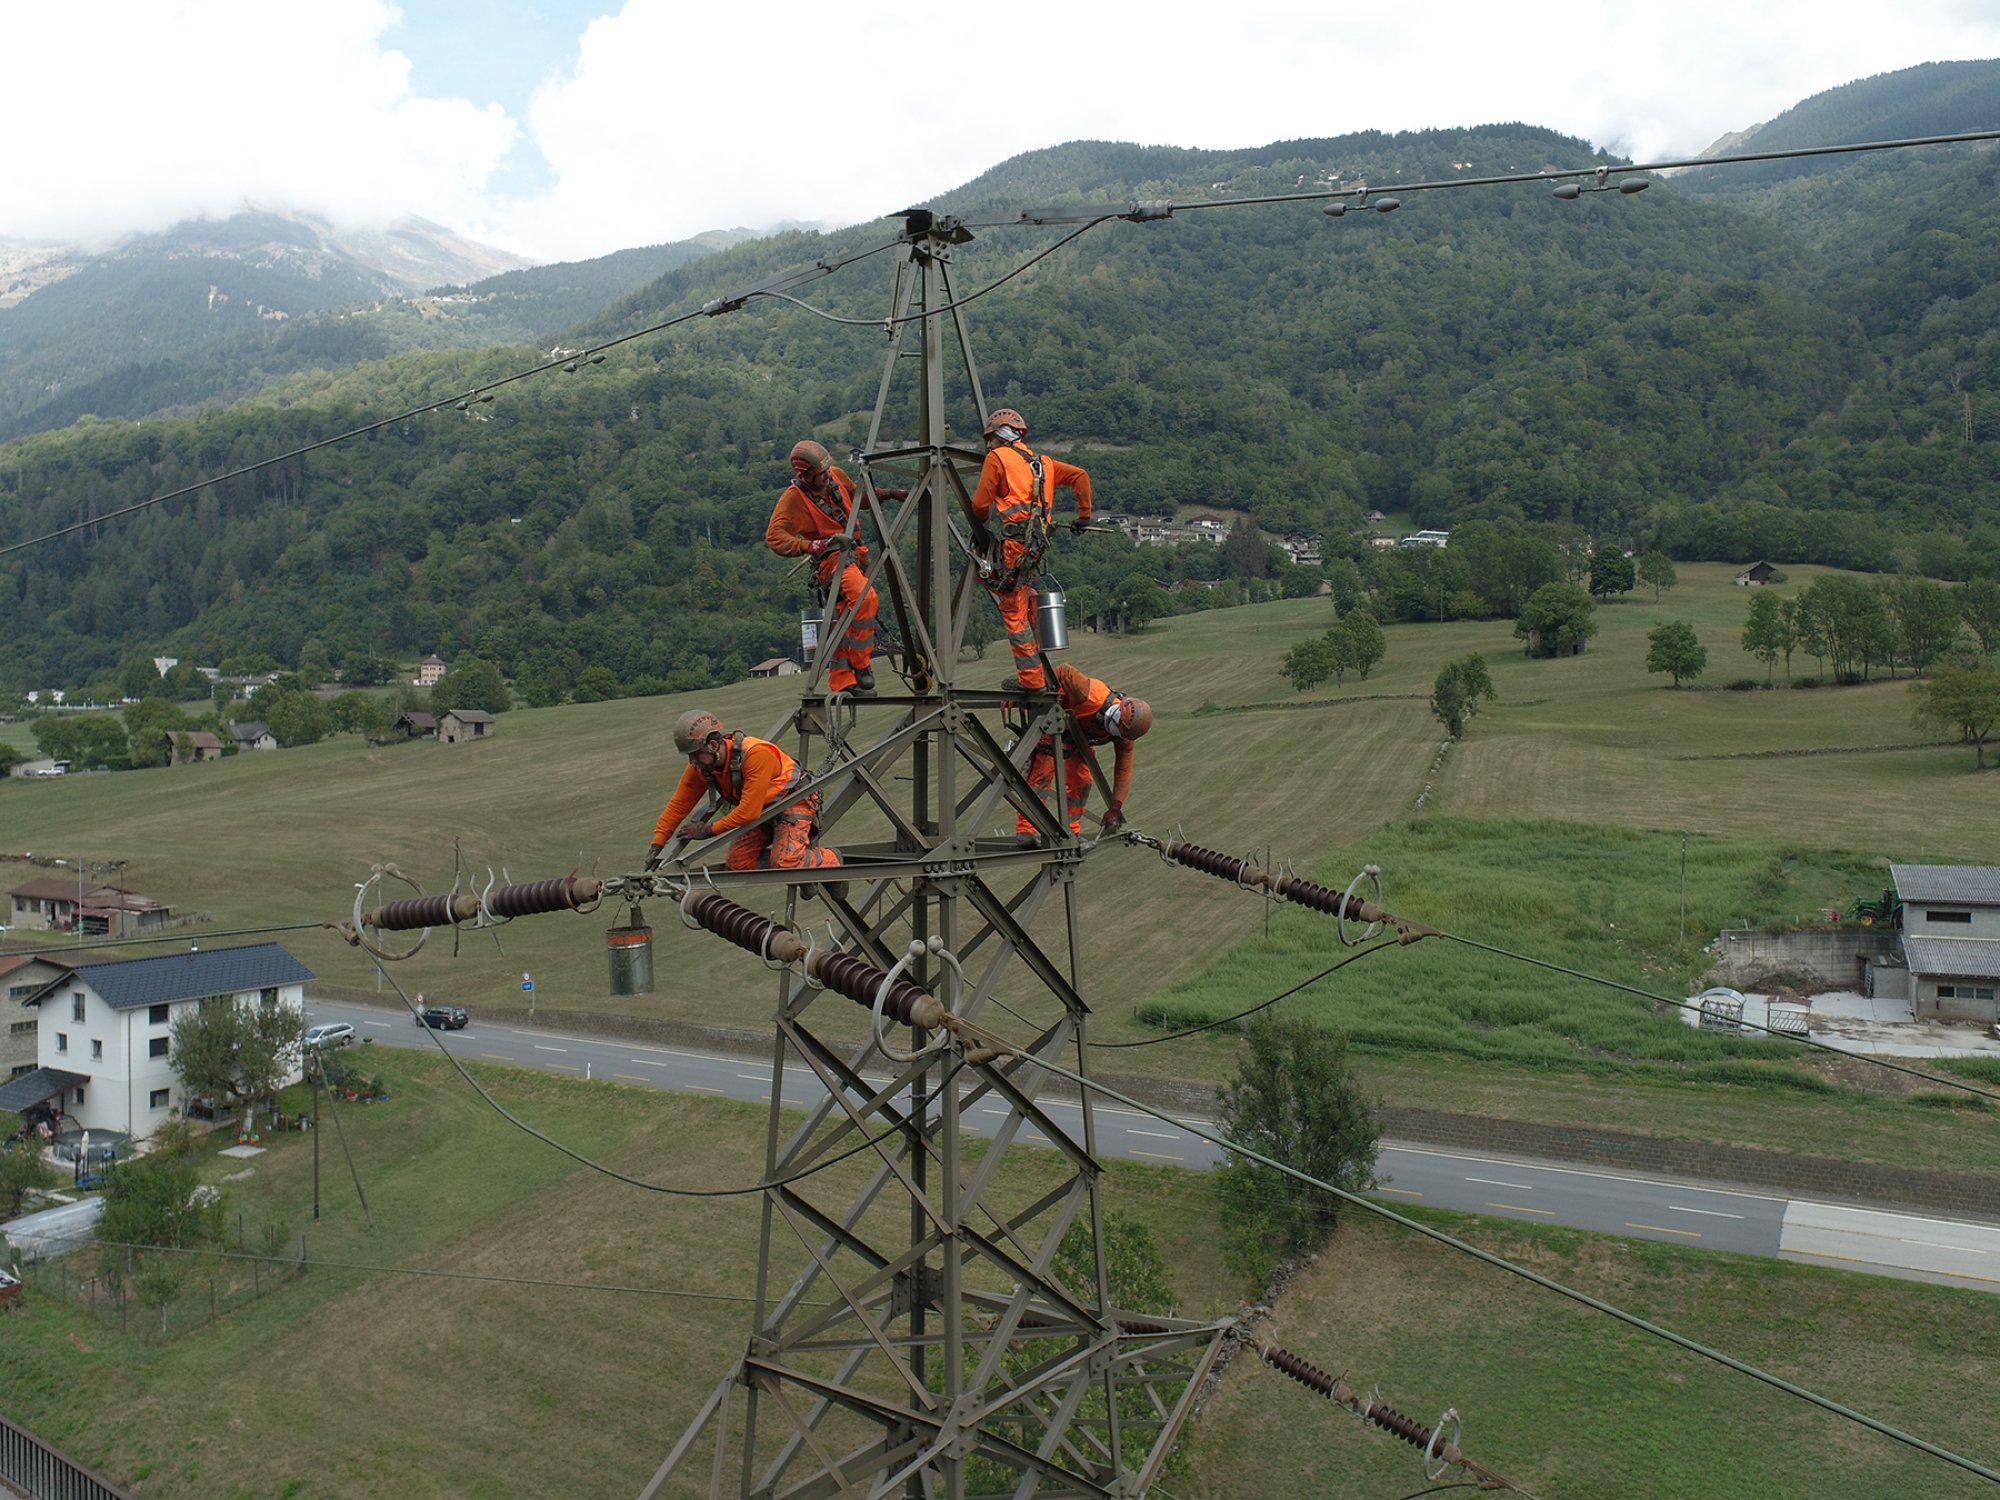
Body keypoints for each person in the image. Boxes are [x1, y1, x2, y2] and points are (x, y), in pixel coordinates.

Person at [968, 408, 1092, 692]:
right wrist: (1083, 516)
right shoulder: (1043, 463)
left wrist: (983, 524)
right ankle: (1040, 644)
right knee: (1022, 592)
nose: (988, 445)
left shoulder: (997, 458)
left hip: (1016, 542)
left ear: (999, 436)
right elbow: (1081, 476)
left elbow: (978, 506)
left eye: (990, 438)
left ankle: (1032, 681)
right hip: (1036, 545)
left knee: (1012, 610)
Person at [647, 709, 842, 879]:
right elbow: (678, 806)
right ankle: (796, 860)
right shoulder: (702, 768)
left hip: (793, 801)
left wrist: (708, 830)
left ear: (713, 746)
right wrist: (657, 844)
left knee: (785, 863)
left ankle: (830, 859)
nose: (692, 762)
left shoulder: (756, 755)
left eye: (695, 754)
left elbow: (748, 812)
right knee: (738, 863)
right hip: (764, 809)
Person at [766, 440, 879, 695]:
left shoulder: (835, 475)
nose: (828, 477)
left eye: (827, 471)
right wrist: (813, 545)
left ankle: (843, 681)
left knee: (841, 617)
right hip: (832, 559)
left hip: (856, 554)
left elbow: (859, 497)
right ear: (804, 476)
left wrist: (891, 494)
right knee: (865, 599)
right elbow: (774, 536)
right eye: (821, 475)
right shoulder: (794, 498)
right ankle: (861, 665)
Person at [1015, 663, 1151, 845]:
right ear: (1117, 715)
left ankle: (1071, 831)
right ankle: (1026, 831)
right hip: (1053, 720)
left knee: (1083, 781)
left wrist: (1115, 807)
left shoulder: (1126, 735)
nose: (1115, 737)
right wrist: (1035, 696)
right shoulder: (1090, 695)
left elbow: (1123, 770)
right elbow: (1064, 670)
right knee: (1043, 773)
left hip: (1077, 737)